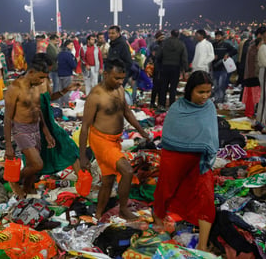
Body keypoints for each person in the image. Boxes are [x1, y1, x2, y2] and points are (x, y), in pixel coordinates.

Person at [153, 70, 218, 252]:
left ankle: (202, 245)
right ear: (190, 90)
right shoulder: (177, 108)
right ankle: (158, 217)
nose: (205, 96)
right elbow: (169, 135)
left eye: (208, 92)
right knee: (166, 189)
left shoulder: (209, 107)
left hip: (200, 160)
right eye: (200, 92)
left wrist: (207, 149)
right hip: (175, 156)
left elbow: (211, 136)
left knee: (206, 196)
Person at [79, 58, 149, 221]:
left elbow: (127, 112)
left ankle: (98, 214)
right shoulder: (96, 96)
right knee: (127, 171)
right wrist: (83, 156)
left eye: (121, 79)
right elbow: (84, 127)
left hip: (115, 141)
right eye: (116, 78)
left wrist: (141, 131)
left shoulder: (119, 90)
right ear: (105, 74)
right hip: (101, 140)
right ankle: (123, 209)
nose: (119, 82)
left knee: (108, 180)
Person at [3, 54, 55, 199]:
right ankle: (14, 181)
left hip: (36, 128)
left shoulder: (36, 86)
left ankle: (27, 188)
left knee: (35, 166)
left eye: (44, 78)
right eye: (40, 77)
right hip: (21, 129)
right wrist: (8, 145)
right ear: (31, 73)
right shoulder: (15, 88)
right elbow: (7, 118)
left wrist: (46, 132)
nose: (42, 81)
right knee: (37, 164)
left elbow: (38, 111)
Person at [156, 29, 189, 108]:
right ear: (178, 35)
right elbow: (184, 58)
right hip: (176, 68)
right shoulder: (181, 44)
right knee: (173, 88)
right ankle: (172, 104)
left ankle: (162, 104)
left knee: (163, 86)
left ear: (171, 34)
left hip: (165, 67)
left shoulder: (164, 43)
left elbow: (158, 56)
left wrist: (160, 65)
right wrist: (186, 69)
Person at [211, 30, 237, 104]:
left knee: (221, 85)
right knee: (215, 86)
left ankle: (221, 100)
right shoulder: (213, 45)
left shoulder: (226, 45)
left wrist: (227, 54)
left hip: (223, 68)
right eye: (216, 36)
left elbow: (235, 51)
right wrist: (212, 57)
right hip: (214, 68)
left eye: (219, 36)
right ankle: (216, 99)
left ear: (222, 37)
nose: (217, 38)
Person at [57, 39, 78, 107]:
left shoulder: (60, 53)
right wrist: (75, 60)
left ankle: (60, 105)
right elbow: (73, 65)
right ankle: (66, 106)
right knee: (66, 90)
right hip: (67, 74)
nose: (72, 47)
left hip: (59, 74)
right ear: (67, 45)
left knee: (60, 90)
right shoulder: (69, 54)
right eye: (71, 45)